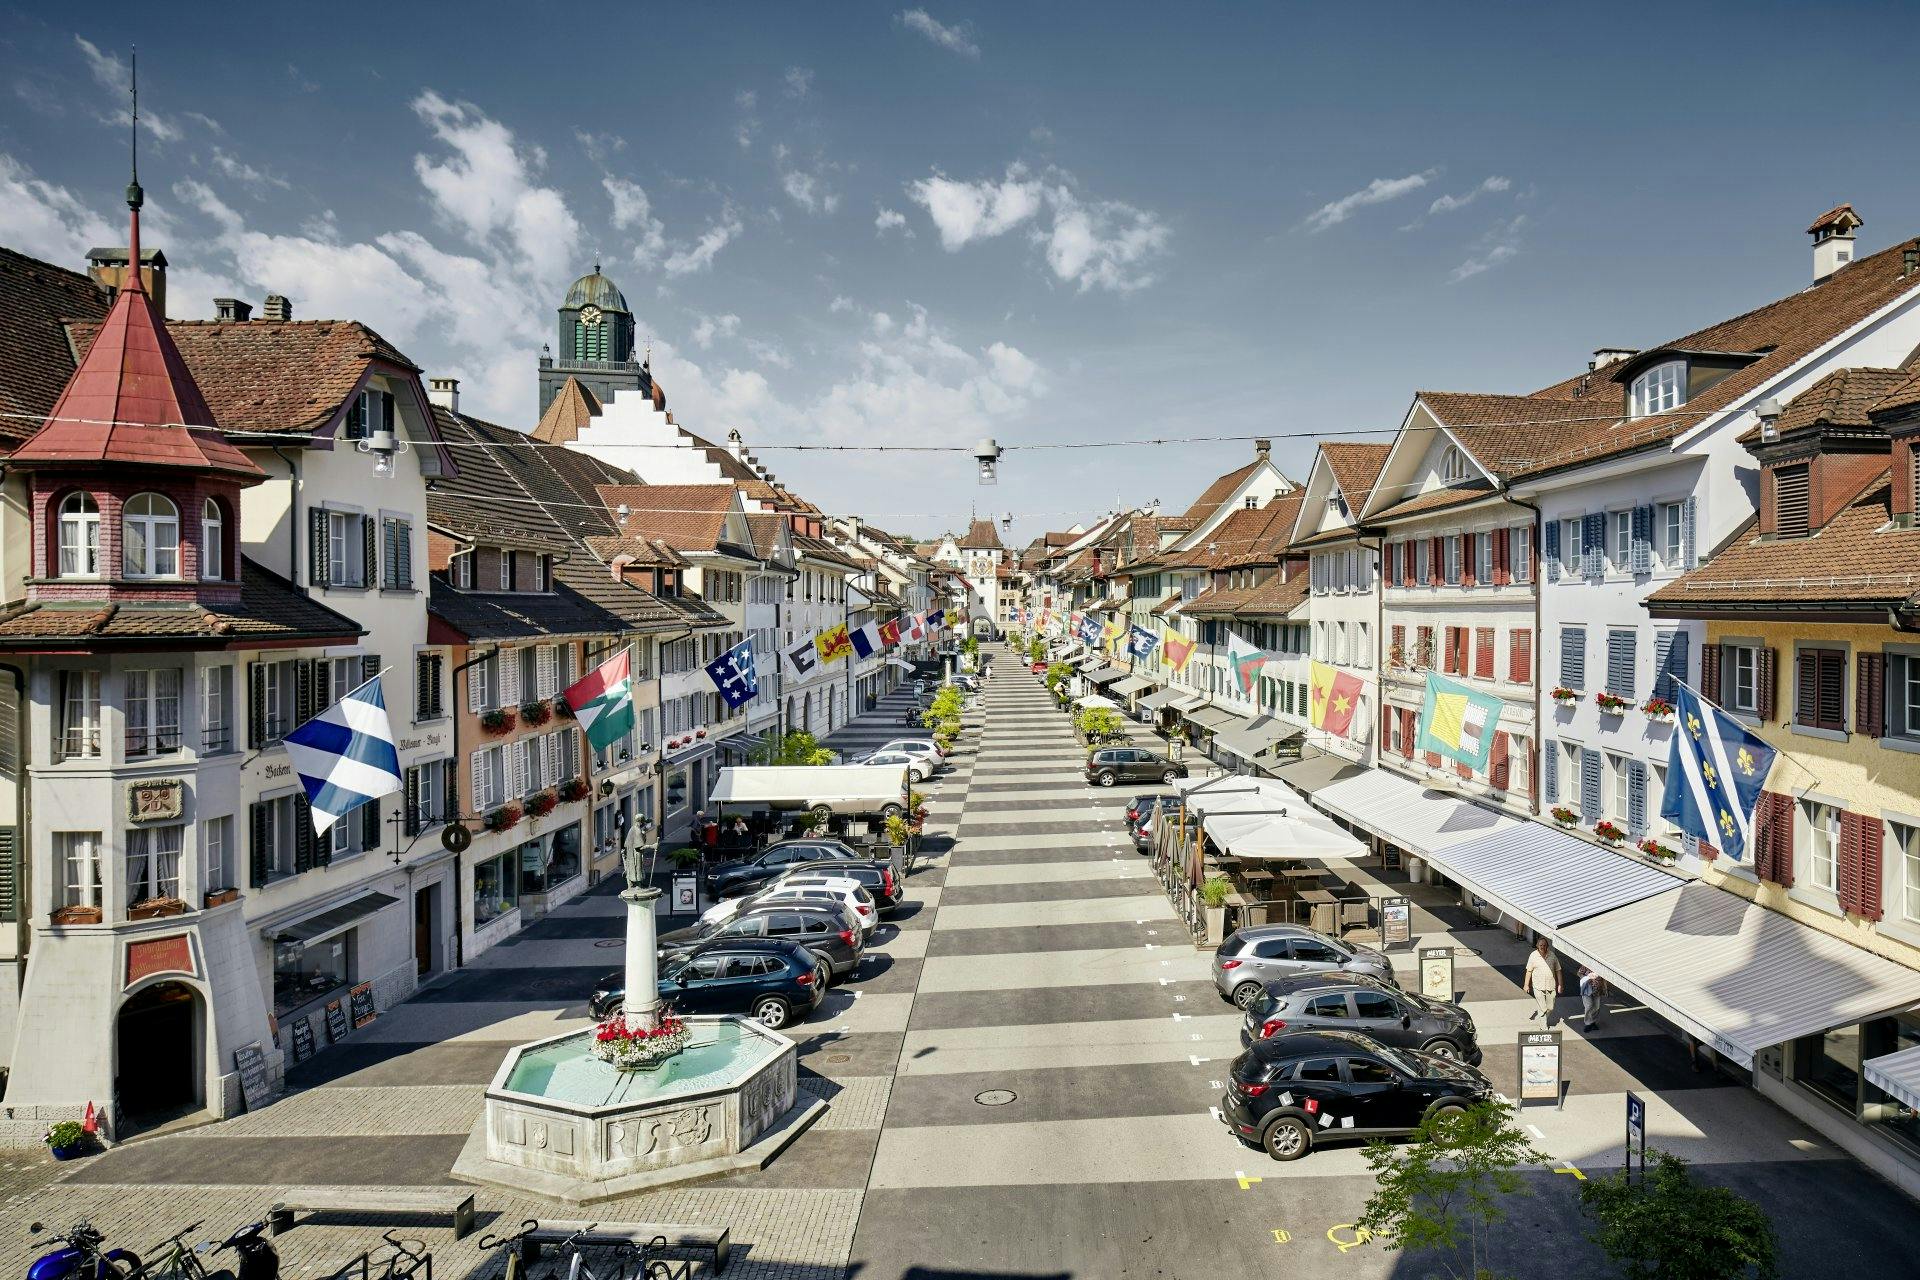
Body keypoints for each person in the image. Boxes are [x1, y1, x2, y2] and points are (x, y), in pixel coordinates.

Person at [1523, 937, 1560, 1023]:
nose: (1542, 947)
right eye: (1541, 945)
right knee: (1542, 1008)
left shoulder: (1552, 956)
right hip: (1538, 986)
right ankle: (1543, 1027)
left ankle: (1543, 1019)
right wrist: (1526, 985)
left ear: (1547, 946)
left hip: (1551, 986)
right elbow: (1529, 971)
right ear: (1537, 945)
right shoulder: (1533, 956)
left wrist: (1560, 985)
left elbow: (1558, 970)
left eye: (1544, 945)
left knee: (1550, 1008)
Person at [1578, 965, 1608, 1031]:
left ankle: (1592, 1021)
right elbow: (1579, 973)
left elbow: (1604, 979)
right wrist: (1588, 977)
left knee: (1596, 1007)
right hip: (1587, 990)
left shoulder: (1601, 967)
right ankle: (1588, 1023)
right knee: (1589, 1006)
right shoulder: (1586, 965)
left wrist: (1605, 989)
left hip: (1597, 991)